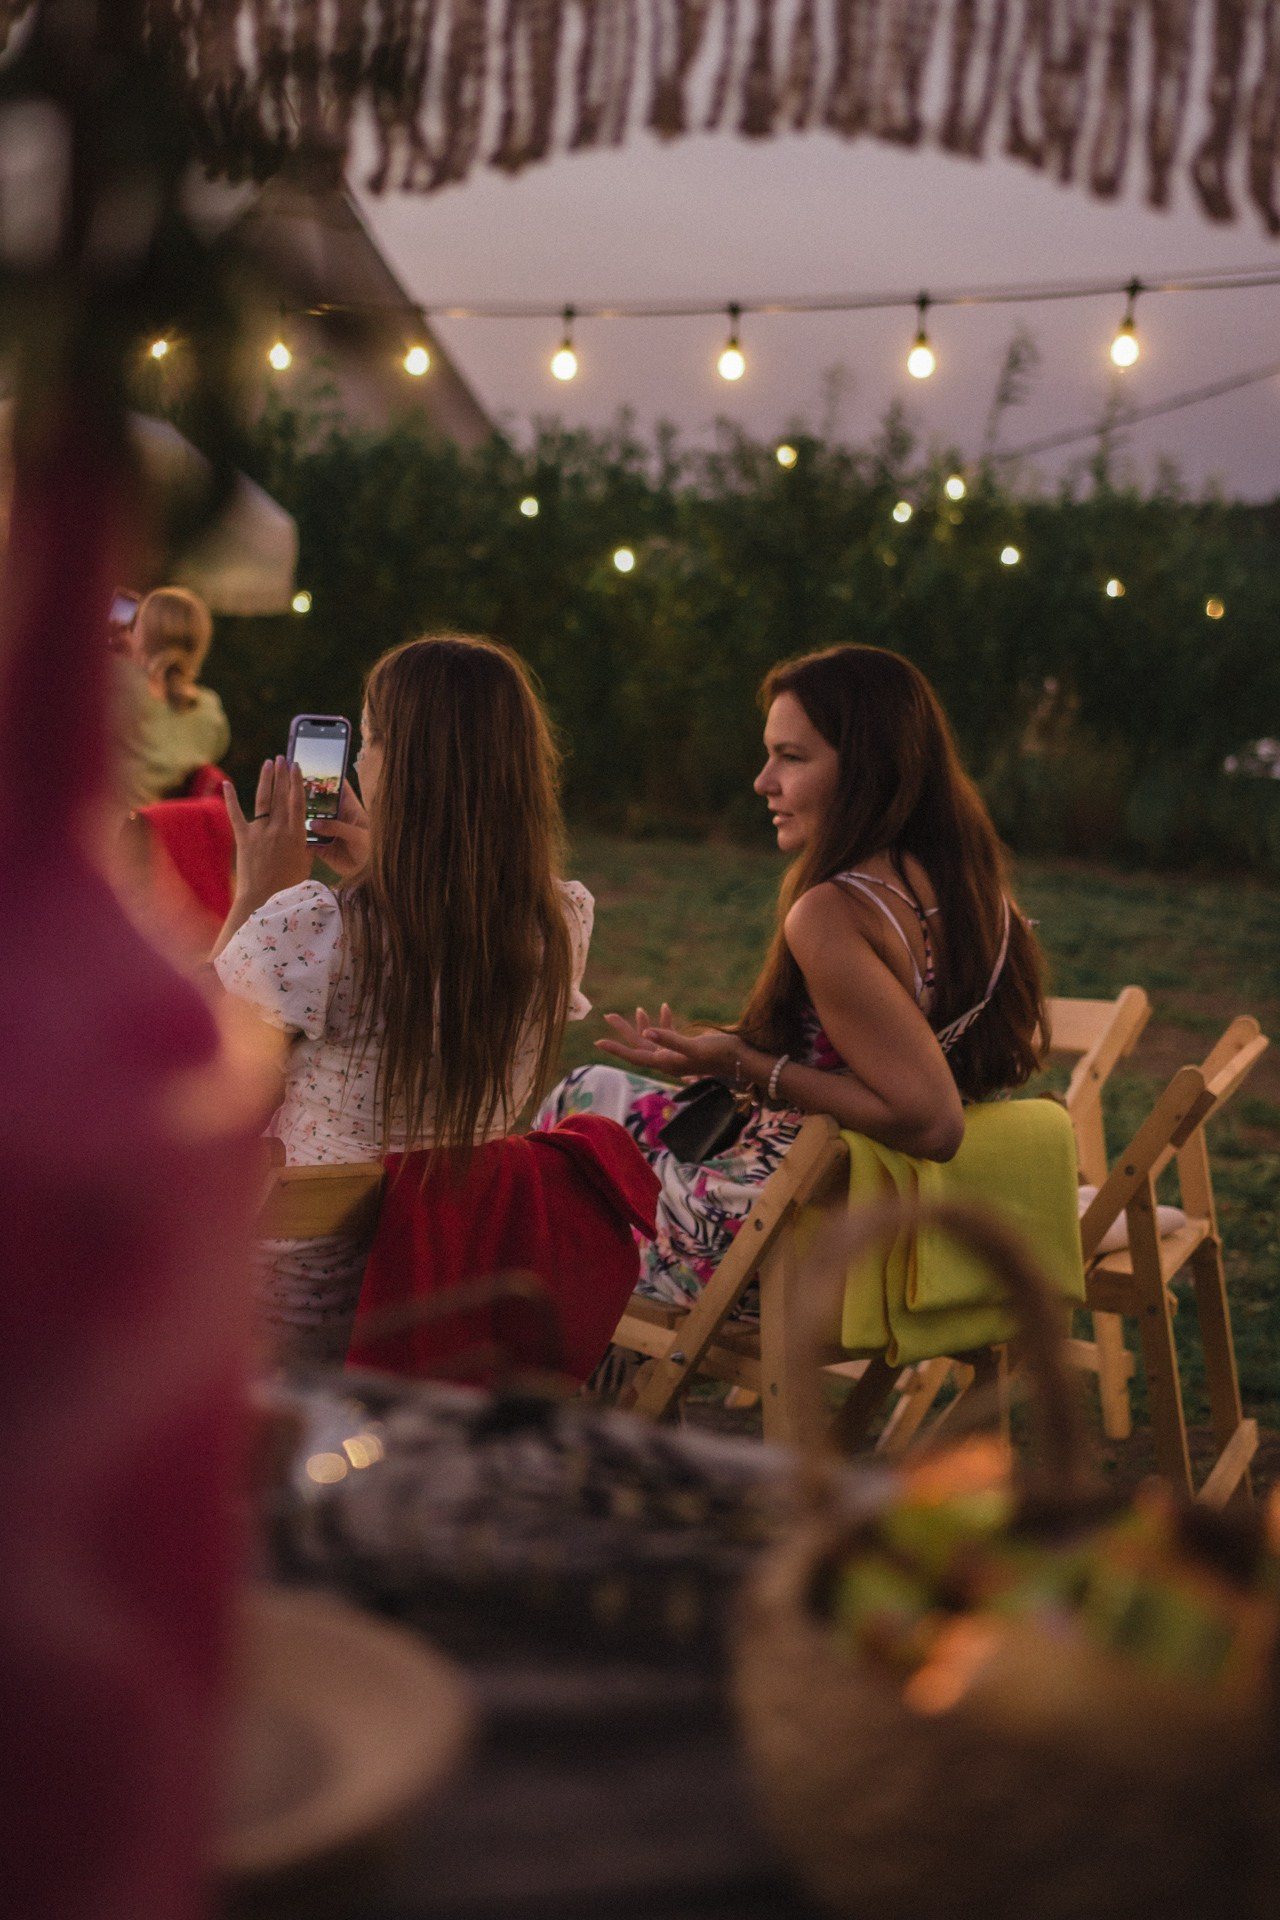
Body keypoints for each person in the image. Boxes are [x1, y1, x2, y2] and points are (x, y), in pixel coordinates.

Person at [536, 644, 1046, 1305]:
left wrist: (751, 1065)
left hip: (798, 1235)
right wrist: (720, 1057)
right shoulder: (979, 895)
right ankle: (627, 1394)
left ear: (866, 770)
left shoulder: (835, 912)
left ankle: (580, 1388)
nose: (763, 780)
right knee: (593, 1090)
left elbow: (933, 1121)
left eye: (792, 757)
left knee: (559, 1183)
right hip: (910, 1220)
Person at [211, 633, 594, 1364]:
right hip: (447, 1285)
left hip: (292, 1299)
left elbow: (175, 1061)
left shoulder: (316, 927)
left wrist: (255, 894)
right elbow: (442, 932)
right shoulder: (560, 922)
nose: (357, 760)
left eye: (372, 739)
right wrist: (383, 866)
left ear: (408, 764)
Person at [116, 585, 231, 807]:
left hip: (107, 832)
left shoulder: (119, 686)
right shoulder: (209, 708)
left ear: (142, 633)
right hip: (166, 836)